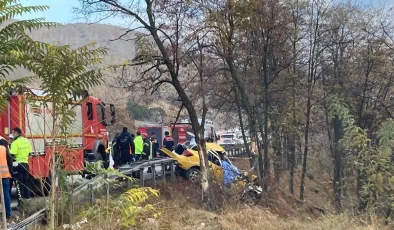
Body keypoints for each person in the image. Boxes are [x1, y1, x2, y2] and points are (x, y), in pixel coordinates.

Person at [9, 127, 32, 199]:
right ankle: (28, 199)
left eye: (13, 133)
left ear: (16, 133)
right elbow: (29, 154)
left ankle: (21, 200)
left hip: (18, 165)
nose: (13, 135)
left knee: (19, 184)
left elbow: (11, 155)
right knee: (26, 182)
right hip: (26, 165)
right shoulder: (27, 141)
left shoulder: (15, 143)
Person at [0, 139, 13, 220]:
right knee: (6, 194)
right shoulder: (4, 149)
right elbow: (10, 160)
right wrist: (10, 171)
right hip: (5, 175)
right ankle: (7, 214)